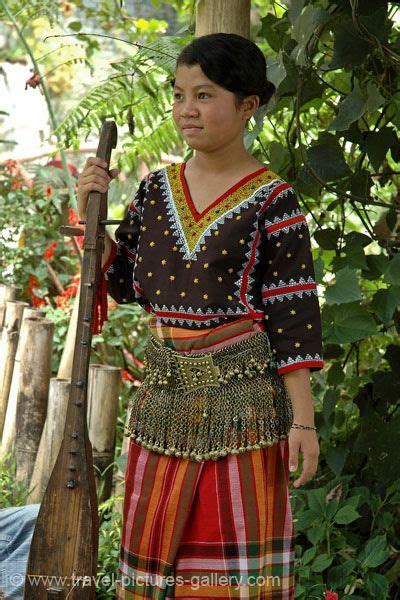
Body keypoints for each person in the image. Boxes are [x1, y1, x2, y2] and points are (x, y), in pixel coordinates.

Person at [78, 33, 324, 600]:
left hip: (243, 412)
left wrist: (303, 422)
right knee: (150, 558)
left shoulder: (273, 199)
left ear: (248, 105)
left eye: (206, 95)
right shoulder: (154, 190)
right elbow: (123, 283)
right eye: (180, 94)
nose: (187, 110)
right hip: (162, 406)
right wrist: (93, 222)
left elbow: (293, 313)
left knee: (230, 577)